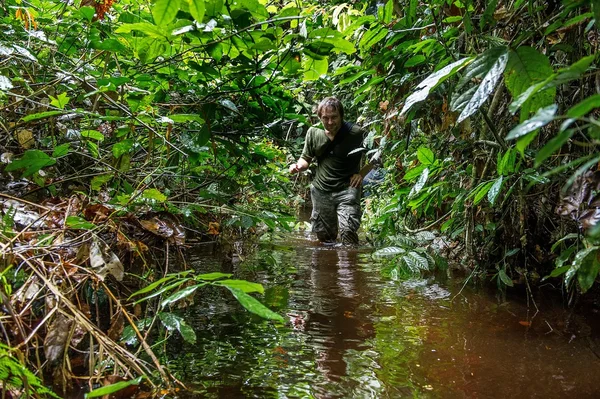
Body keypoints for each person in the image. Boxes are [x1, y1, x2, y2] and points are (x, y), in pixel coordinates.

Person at [289, 97, 375, 246]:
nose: (330, 122)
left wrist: (361, 174)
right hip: (322, 190)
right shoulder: (313, 133)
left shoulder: (356, 133)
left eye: (334, 117)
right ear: (320, 117)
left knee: (348, 232)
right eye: (325, 118)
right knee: (325, 240)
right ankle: (328, 268)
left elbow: (376, 156)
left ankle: (349, 267)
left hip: (347, 189)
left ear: (341, 116)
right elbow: (305, 159)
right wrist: (297, 166)